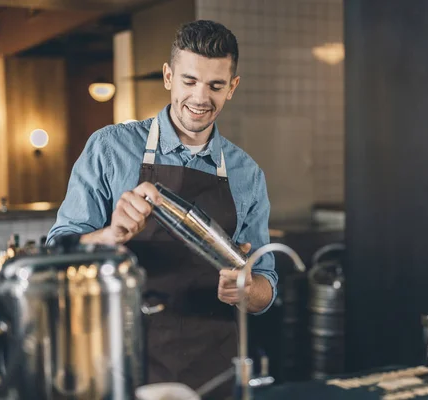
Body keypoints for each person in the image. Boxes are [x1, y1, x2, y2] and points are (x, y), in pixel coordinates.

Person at [46, 19, 277, 396]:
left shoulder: (247, 174)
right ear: (168, 76)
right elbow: (57, 252)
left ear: (232, 87)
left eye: (216, 85)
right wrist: (110, 235)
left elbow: (266, 285)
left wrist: (248, 290)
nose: (201, 98)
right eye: (189, 81)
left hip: (212, 366)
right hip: (120, 358)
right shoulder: (109, 148)